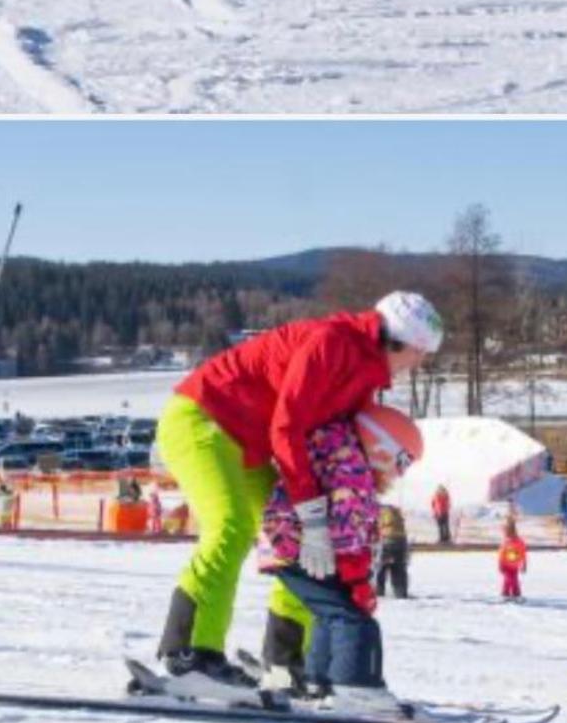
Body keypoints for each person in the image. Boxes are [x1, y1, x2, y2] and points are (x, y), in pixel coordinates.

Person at [153, 293, 443, 689]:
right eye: (420, 352)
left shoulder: (364, 374)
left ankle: (287, 659)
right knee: (232, 527)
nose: (419, 363)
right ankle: (190, 653)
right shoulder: (330, 343)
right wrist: (311, 510)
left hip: (253, 442)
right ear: (399, 341)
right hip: (204, 419)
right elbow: (288, 426)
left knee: (297, 540)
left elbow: (335, 438)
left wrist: (347, 493)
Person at [256, 405, 423, 715]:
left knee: (331, 615)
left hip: (288, 545)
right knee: (355, 620)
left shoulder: (341, 455)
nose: (400, 473)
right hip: (301, 546)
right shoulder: (353, 469)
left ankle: (319, 681)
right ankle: (355, 686)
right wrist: (356, 579)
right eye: (402, 461)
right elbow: (347, 527)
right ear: (381, 446)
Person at [376, 500, 410, 597]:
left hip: (387, 542)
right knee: (399, 569)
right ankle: (401, 592)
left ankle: (379, 592)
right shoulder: (397, 514)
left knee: (380, 568)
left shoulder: (381, 513)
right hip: (401, 542)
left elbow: (378, 526)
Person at [498, 522, 528, 599]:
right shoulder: (505, 542)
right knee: (508, 579)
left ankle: (515, 593)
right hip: (506, 565)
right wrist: (500, 564)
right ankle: (506, 593)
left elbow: (523, 553)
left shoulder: (519, 542)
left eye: (507, 531)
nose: (506, 534)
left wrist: (524, 564)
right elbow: (501, 554)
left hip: (514, 565)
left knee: (513, 579)